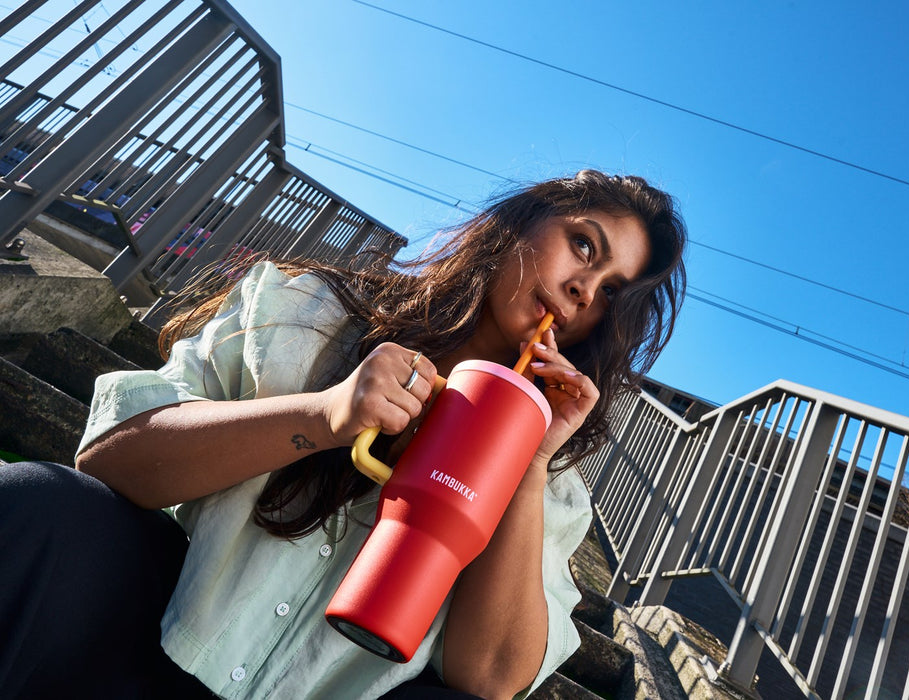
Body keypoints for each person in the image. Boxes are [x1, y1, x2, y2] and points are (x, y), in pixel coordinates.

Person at [0, 170, 686, 699]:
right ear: (521, 223)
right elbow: (112, 457)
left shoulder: (552, 485)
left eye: (612, 292)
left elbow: (494, 680)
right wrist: (324, 414)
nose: (584, 291)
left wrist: (530, 462)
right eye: (584, 245)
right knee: (49, 508)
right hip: (144, 638)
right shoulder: (308, 313)